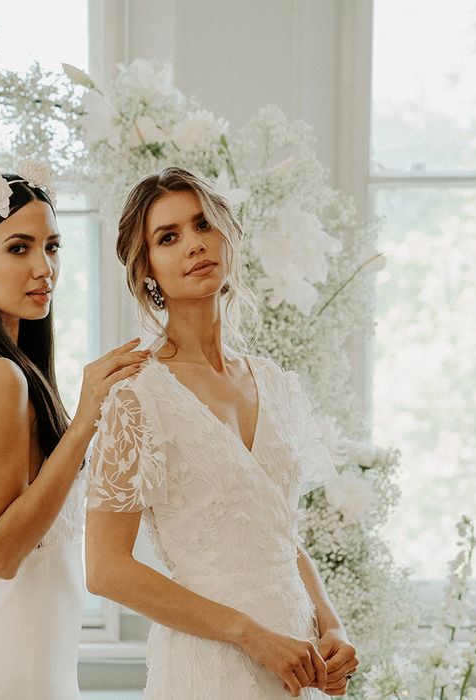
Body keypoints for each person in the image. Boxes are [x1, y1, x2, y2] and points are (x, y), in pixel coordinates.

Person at [85, 167, 359, 698]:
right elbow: (105, 569)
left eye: (203, 225)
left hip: (300, 660)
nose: (194, 244)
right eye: (169, 237)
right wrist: (249, 635)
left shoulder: (276, 384)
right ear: (148, 273)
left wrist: (332, 624)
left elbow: (277, 531)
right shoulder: (136, 396)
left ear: (227, 238)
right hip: (210, 662)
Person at [0, 162, 147, 699]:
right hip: (11, 670)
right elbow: (1, 552)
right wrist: (86, 419)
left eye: (53, 246)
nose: (45, 268)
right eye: (19, 248)